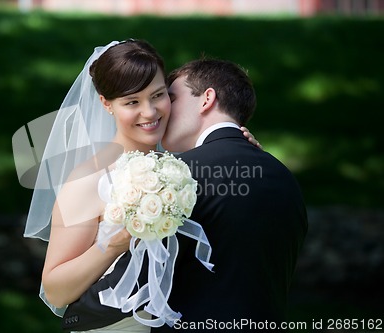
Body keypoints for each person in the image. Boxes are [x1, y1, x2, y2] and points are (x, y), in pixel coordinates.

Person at [24, 40, 260, 333]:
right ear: (106, 104)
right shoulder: (88, 180)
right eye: (132, 102)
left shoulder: (180, 169)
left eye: (158, 95)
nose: (149, 112)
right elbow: (57, 289)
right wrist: (114, 244)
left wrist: (241, 149)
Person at [155, 59, 308, 331]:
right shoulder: (285, 177)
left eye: (172, 98)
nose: (162, 111)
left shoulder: (178, 175)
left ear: (207, 99)